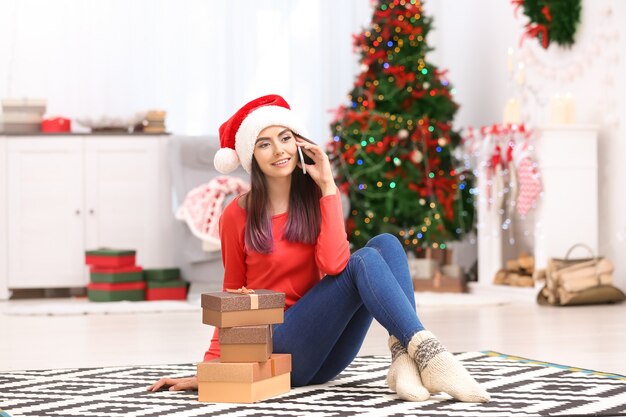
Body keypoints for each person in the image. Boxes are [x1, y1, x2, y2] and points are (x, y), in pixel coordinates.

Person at [148, 94, 490, 403]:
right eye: (264, 144)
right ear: (251, 155)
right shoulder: (236, 215)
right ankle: (429, 355)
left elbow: (333, 262)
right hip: (276, 347)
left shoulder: (318, 198)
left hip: (324, 353)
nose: (279, 150)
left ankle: (405, 356)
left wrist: (327, 184)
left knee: (385, 244)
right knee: (365, 260)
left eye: (284, 138)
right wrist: (212, 369)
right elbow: (231, 296)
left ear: (299, 145)